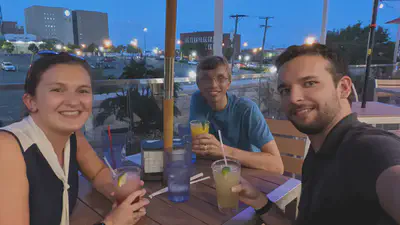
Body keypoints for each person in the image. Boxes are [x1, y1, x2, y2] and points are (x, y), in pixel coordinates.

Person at [232, 44, 400, 225]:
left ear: (343, 87)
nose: (294, 98)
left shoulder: (370, 149)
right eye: (285, 90)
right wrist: (259, 201)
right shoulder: (317, 154)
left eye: (309, 83)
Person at [0, 53, 149, 225]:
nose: (73, 101)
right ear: (31, 101)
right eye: (57, 90)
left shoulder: (72, 138)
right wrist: (113, 223)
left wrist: (122, 194)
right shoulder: (8, 149)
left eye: (82, 91)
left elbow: (99, 173)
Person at [189, 56, 283, 173]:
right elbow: (199, 147)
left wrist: (222, 150)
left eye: (221, 78)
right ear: (198, 84)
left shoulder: (247, 109)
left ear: (229, 83)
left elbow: (277, 166)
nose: (213, 85)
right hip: (215, 173)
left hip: (250, 175)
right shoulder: (198, 100)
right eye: (206, 79)